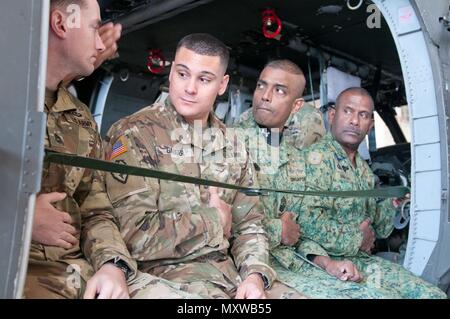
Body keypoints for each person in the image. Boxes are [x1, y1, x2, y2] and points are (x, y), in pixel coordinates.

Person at [104, 33, 305, 299]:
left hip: (228, 276)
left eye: (204, 79)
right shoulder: (134, 134)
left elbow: (250, 226)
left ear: (222, 85)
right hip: (163, 279)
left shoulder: (233, 145)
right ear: (172, 71)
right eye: (183, 74)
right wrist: (213, 221)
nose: (190, 88)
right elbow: (131, 236)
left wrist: (254, 275)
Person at [26, 0, 196, 299]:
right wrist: (21, 217)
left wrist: (112, 265)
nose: (100, 43)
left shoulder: (80, 119)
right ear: (60, 24)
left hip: (78, 270)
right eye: (94, 28)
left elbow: (95, 209)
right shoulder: (10, 100)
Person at [235, 60, 393, 298]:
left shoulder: (292, 158)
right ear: (332, 115)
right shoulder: (230, 146)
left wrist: (326, 263)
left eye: (279, 90)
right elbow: (226, 224)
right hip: (251, 265)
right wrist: (280, 230)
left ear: (296, 105)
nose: (265, 96)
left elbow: (298, 233)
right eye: (261, 86)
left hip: (294, 261)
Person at [279, 87, 446, 298]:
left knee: (432, 294)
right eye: (347, 111)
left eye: (363, 115)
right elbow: (305, 225)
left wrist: (393, 204)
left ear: (370, 125)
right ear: (332, 116)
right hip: (323, 262)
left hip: (362, 261)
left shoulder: (364, 171)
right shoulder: (314, 161)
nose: (354, 121)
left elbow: (378, 228)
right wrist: (359, 237)